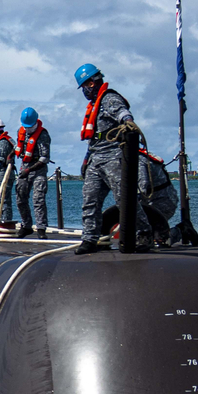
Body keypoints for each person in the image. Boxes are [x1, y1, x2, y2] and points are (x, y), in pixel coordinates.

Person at [74, 63, 149, 254]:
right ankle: (90, 238)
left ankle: (143, 233)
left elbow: (123, 114)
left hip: (113, 157)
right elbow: (94, 137)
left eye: (84, 87)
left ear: (91, 83)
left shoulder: (109, 99)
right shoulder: (94, 105)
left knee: (124, 199)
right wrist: (86, 160)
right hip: (96, 158)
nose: (84, 91)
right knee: (90, 199)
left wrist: (129, 124)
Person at [15, 107, 50, 238]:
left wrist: (29, 170)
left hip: (38, 170)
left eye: (30, 126)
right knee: (20, 197)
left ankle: (41, 228)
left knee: (38, 199)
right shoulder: (21, 131)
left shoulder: (43, 135)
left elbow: (44, 158)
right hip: (24, 167)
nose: (28, 129)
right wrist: (11, 155)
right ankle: (26, 225)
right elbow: (19, 147)